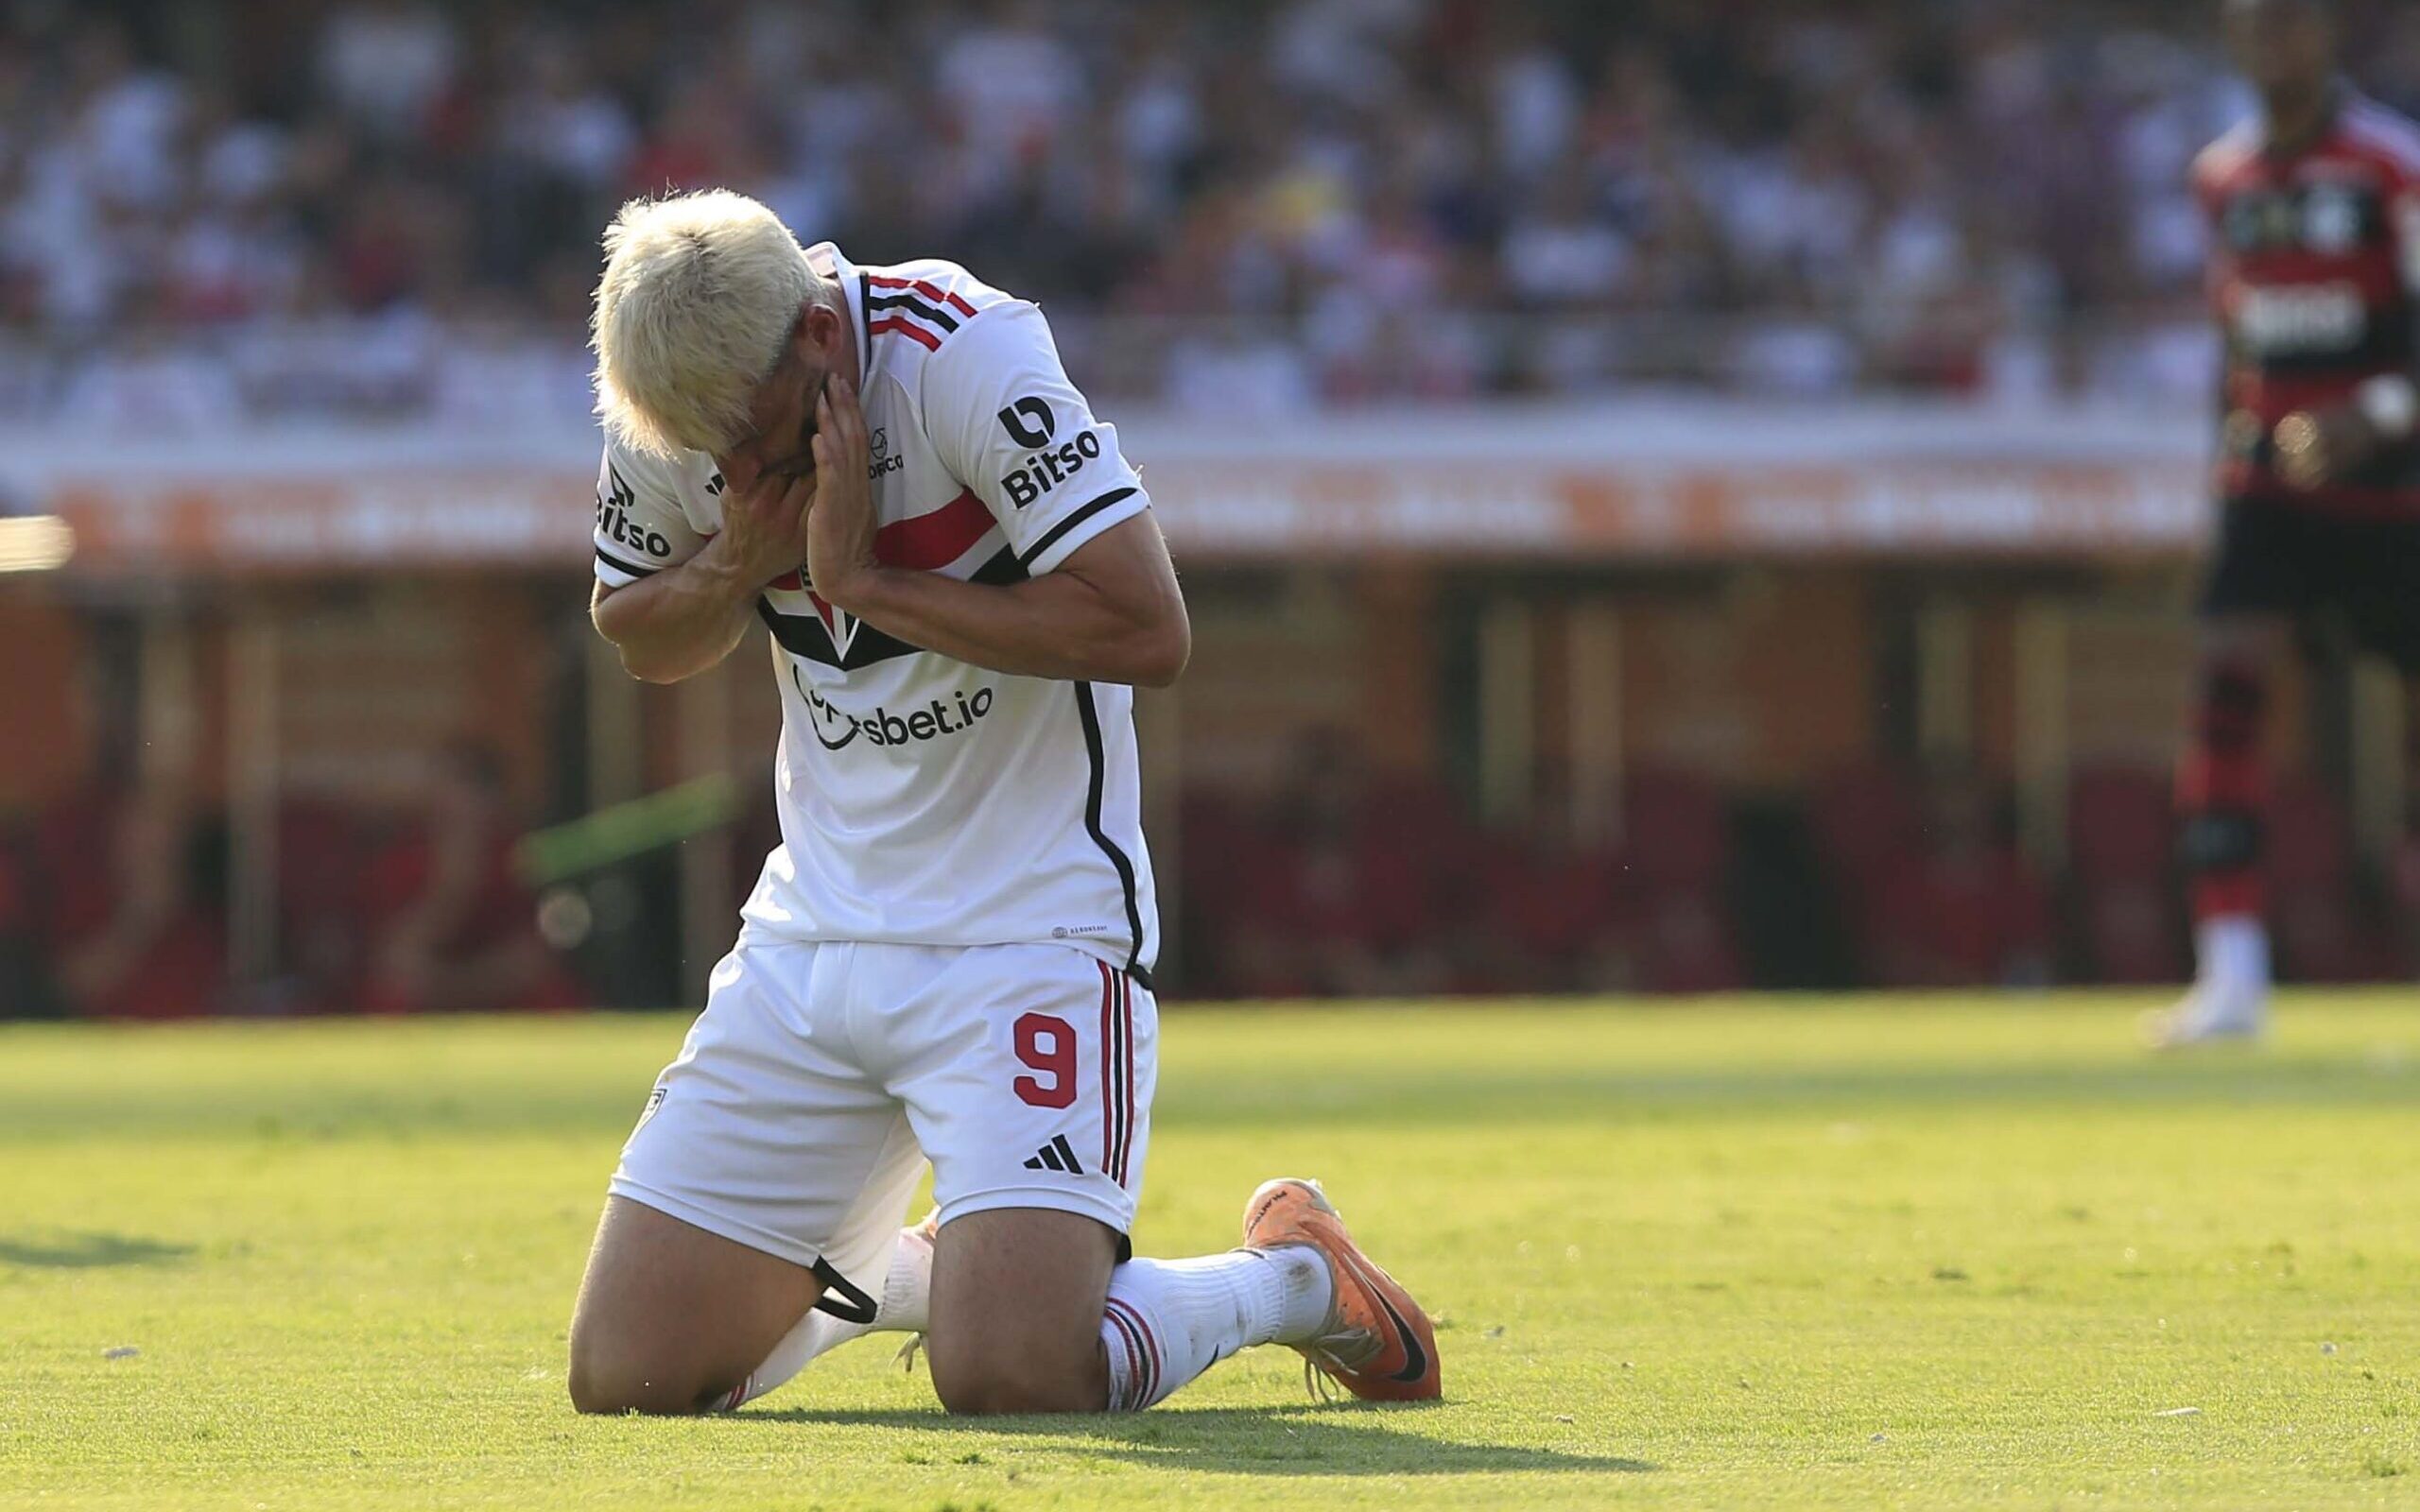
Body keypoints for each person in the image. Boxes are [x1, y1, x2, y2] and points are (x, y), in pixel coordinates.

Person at [565, 191, 1440, 1415]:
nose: (734, 472)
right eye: (708, 461)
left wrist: (862, 579)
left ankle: (1294, 1281)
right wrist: (729, 561)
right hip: (811, 939)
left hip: (1026, 932)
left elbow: (1148, 626)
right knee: (630, 1379)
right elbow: (639, 637)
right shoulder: (683, 402)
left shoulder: (962, 352)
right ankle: (936, 1270)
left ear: (820, 338)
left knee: (1016, 1376)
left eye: (756, 447)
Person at [2152, 0, 2420, 1046]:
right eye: (2254, 25)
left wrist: (2375, 414)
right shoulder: (2220, 176)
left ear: (2325, 38)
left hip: (2397, 488)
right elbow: (2236, 336)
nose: (2273, 44)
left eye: (2291, 24)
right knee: (2224, 683)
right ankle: (2231, 977)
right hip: (2266, 482)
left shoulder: (2391, 168)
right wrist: (2225, 451)